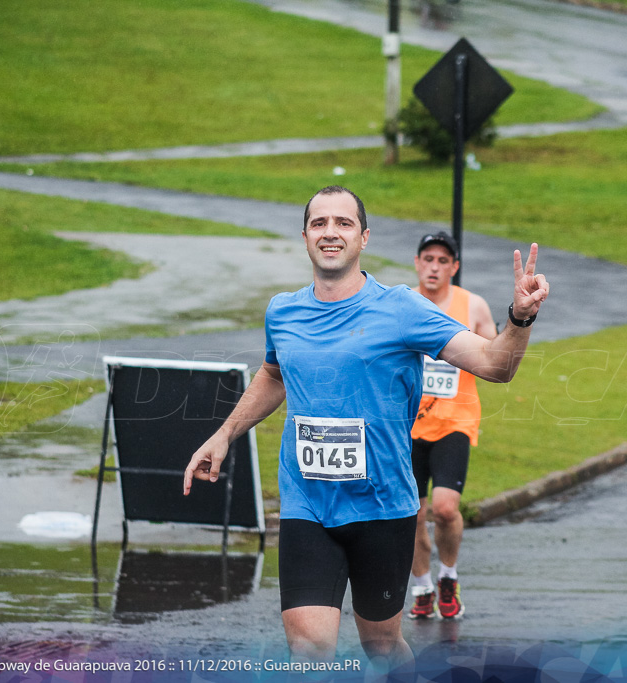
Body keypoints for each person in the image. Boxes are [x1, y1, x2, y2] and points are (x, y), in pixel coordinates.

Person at [183, 186, 549, 672]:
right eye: (319, 223)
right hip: (307, 503)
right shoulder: (283, 311)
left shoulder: (402, 309)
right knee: (310, 650)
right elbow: (273, 375)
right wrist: (224, 434)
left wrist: (520, 317)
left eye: (343, 223)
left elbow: (494, 365)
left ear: (364, 237)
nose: (330, 232)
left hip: (382, 507)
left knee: (382, 645)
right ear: (305, 236)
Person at [407, 231, 496, 620]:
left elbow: (496, 355)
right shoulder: (402, 303)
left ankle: (449, 575)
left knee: (443, 509)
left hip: (455, 421)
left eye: (443, 261)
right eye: (428, 259)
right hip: (405, 424)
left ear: (454, 267)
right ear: (417, 262)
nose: (434, 267)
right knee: (410, 513)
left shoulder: (472, 305)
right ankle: (422, 586)